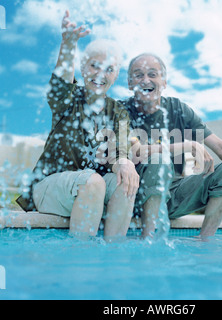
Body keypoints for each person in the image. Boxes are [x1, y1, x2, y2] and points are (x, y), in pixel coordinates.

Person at [121, 52, 222, 238]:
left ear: (164, 82)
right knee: (157, 159)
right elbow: (137, 152)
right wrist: (187, 145)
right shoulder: (121, 111)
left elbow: (221, 147)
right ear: (130, 83)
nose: (146, 80)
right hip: (133, 197)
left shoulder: (179, 110)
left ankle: (204, 241)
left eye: (153, 74)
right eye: (138, 75)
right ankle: (149, 242)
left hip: (174, 196)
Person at [16, 11, 139, 241]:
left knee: (126, 181)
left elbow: (122, 142)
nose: (100, 74)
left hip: (91, 190)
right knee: (93, 181)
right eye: (94, 66)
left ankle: (114, 255)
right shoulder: (68, 98)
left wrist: (125, 160)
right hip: (48, 188)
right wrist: (68, 44)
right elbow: (60, 83)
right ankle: (80, 263)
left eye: (109, 69)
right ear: (82, 67)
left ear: (116, 75)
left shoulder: (118, 111)